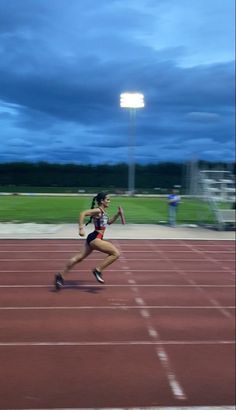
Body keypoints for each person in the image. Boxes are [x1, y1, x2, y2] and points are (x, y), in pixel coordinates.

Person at [54, 192, 121, 290]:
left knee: (78, 258)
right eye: (108, 199)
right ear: (102, 201)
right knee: (115, 253)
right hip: (95, 238)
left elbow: (109, 222)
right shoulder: (98, 210)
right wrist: (81, 228)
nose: (109, 201)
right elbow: (83, 213)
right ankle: (98, 270)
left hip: (93, 237)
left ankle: (60, 276)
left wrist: (117, 215)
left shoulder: (103, 211)